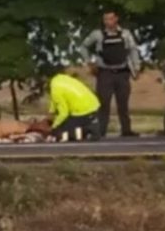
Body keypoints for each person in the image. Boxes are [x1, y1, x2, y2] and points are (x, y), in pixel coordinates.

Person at [79, 9, 141, 138]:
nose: (108, 22)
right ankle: (101, 131)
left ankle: (126, 130)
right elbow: (84, 46)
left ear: (116, 19)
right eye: (105, 19)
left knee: (123, 104)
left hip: (122, 72)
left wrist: (136, 67)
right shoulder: (97, 34)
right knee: (103, 104)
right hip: (105, 73)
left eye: (110, 18)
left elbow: (133, 50)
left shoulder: (125, 34)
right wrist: (89, 62)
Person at [47, 71, 101, 142]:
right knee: (68, 121)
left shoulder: (55, 91)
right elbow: (54, 100)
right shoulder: (59, 79)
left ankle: (88, 129)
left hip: (82, 110)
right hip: (94, 103)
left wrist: (54, 126)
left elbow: (64, 113)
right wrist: (51, 111)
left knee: (64, 127)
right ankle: (90, 122)